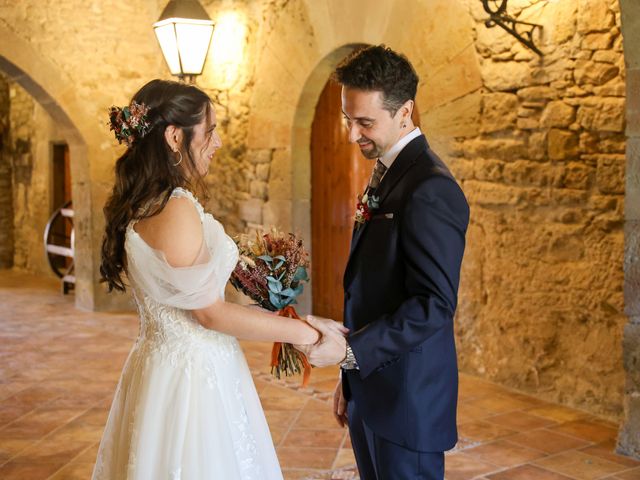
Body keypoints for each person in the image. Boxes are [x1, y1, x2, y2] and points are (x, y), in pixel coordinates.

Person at [93, 79, 345, 480]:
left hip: (164, 366)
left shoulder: (146, 203)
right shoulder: (174, 208)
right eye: (209, 131)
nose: (219, 142)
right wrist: (305, 333)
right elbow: (208, 314)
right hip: (192, 381)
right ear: (175, 137)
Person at [299, 46, 470, 479]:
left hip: (407, 404)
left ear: (405, 112)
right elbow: (375, 288)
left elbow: (433, 303)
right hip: (373, 389)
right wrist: (352, 377)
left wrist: (352, 352)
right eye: (347, 119)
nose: (352, 133)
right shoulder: (389, 171)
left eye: (365, 122)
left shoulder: (430, 188)